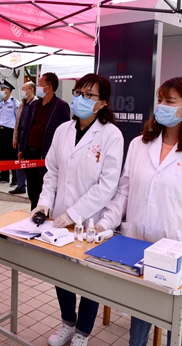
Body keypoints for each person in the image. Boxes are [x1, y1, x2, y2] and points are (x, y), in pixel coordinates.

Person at [96, 77, 182, 346]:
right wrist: (105, 222)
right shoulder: (140, 144)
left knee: (177, 324)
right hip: (137, 245)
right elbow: (124, 192)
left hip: (179, 251)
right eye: (160, 100)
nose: (162, 106)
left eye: (170, 101)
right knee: (141, 313)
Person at [32, 74, 124, 346]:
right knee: (62, 273)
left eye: (88, 95)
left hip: (92, 220)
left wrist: (74, 214)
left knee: (89, 278)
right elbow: (52, 172)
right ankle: (67, 323)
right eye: (77, 93)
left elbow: (107, 185)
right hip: (59, 218)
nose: (80, 99)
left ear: (102, 103)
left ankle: (82, 333)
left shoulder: (111, 135)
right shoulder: (63, 130)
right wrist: (44, 204)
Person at [17, 72, 70, 209]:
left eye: (40, 84)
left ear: (49, 87)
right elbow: (27, 127)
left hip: (46, 155)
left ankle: (43, 213)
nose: (38, 87)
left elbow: (66, 133)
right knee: (32, 189)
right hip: (30, 153)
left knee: (44, 188)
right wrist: (22, 148)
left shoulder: (60, 106)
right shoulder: (34, 105)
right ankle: (33, 212)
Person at [9, 81, 37, 195]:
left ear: (31, 90)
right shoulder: (22, 103)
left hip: (30, 137)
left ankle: (31, 186)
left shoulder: (36, 103)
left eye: (24, 89)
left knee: (29, 162)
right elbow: (17, 122)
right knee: (19, 160)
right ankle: (20, 186)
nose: (22, 91)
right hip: (21, 135)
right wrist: (15, 138)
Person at [0, 79, 20, 185]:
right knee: (3, 154)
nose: (1, 91)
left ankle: (15, 178)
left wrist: (16, 134)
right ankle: (4, 176)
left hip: (10, 131)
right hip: (2, 130)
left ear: (8, 90)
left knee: (12, 155)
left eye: (3, 89)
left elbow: (18, 118)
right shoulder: (1, 103)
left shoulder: (14, 103)